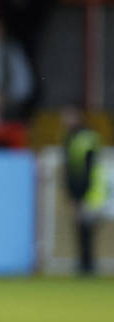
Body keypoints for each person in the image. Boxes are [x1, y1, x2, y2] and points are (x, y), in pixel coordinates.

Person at [61, 105, 109, 274]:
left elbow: (87, 168)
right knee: (82, 228)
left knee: (86, 228)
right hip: (83, 189)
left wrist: (80, 193)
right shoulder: (72, 137)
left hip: (90, 190)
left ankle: (87, 264)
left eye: (68, 115)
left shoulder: (84, 138)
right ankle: (84, 263)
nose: (64, 120)